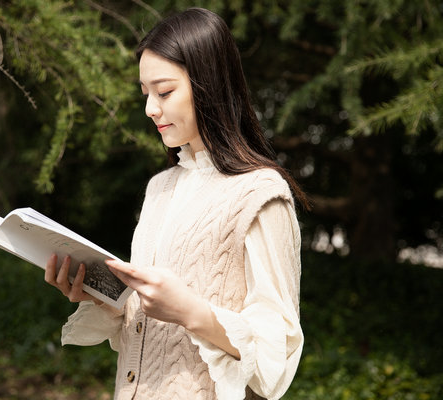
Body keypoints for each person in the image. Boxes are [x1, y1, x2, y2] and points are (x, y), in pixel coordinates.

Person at [44, 7, 308, 400]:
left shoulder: (261, 194)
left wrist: (190, 311)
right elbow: (148, 321)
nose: (151, 108)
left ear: (208, 85)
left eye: (164, 92)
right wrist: (101, 294)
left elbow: (276, 350)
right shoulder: (160, 188)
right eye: (146, 93)